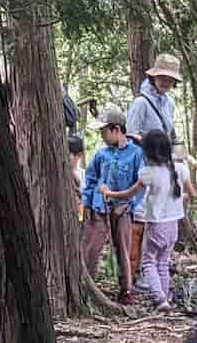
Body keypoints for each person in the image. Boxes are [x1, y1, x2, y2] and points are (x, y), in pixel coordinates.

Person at [101, 130, 195, 311]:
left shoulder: (148, 172)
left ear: (148, 153)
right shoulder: (180, 169)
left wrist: (108, 192)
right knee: (163, 262)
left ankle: (160, 299)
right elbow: (192, 193)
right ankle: (165, 296)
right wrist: (179, 197)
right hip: (173, 226)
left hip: (155, 226)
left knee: (149, 262)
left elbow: (129, 193)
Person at [125, 53, 181, 284]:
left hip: (164, 168)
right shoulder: (140, 102)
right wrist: (150, 144)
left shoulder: (170, 103)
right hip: (145, 164)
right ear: (154, 76)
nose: (166, 82)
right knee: (140, 223)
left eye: (170, 78)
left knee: (161, 220)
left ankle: (157, 272)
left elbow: (171, 133)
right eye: (162, 77)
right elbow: (130, 133)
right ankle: (135, 273)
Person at [81, 104, 144, 304]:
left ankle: (126, 290)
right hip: (99, 208)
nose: (101, 136)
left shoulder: (136, 154)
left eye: (104, 131)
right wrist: (87, 205)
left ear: (116, 130)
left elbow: (141, 184)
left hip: (123, 209)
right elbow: (90, 180)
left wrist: (129, 204)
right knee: (91, 247)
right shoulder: (101, 154)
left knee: (123, 249)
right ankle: (85, 286)